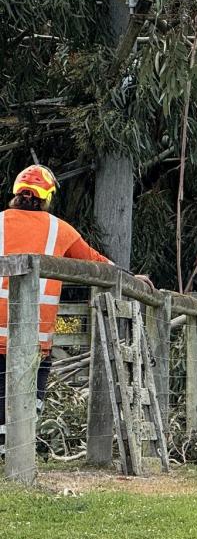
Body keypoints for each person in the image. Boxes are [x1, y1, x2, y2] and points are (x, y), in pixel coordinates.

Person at [1, 166, 113, 453]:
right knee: (29, 401)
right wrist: (129, 277)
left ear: (16, 193)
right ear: (47, 197)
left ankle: (8, 455)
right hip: (36, 341)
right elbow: (96, 263)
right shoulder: (59, 229)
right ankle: (14, 456)